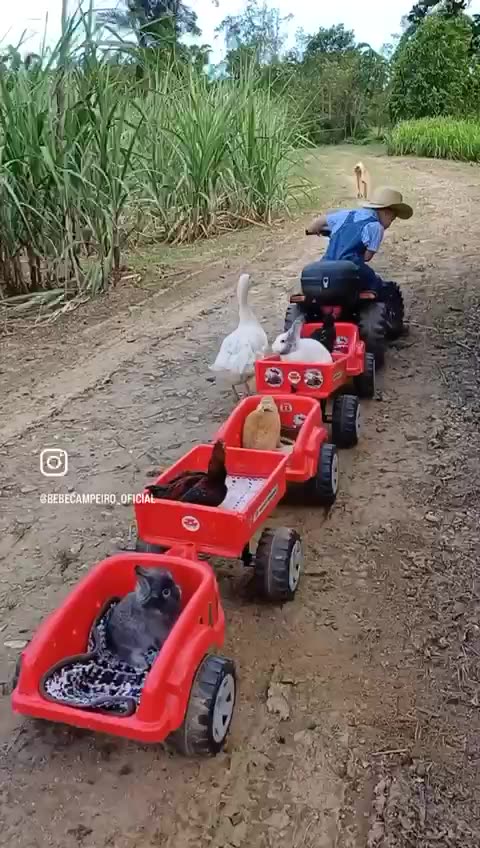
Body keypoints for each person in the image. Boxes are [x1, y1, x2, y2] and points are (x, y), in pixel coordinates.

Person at [305, 187, 413, 296]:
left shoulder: (346, 214)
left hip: (326, 264)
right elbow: (367, 257)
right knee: (377, 285)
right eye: (392, 220)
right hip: (351, 268)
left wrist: (311, 230)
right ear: (387, 213)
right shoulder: (376, 227)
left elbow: (319, 221)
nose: (390, 224)